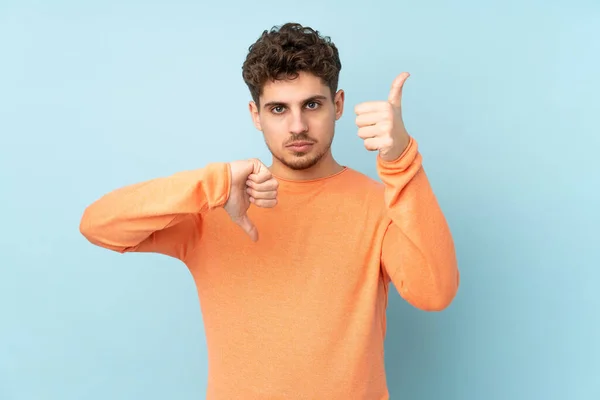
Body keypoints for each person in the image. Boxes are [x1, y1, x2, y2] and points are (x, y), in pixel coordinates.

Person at [79, 22, 459, 400]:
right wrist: (215, 184)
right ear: (255, 115)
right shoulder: (216, 206)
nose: (297, 126)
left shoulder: (378, 205)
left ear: (338, 105)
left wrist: (402, 159)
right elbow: (98, 225)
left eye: (312, 104)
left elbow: (435, 292)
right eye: (278, 109)